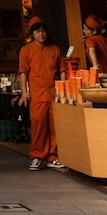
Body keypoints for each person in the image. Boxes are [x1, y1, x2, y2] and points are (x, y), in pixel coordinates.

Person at [17, 18, 64, 170]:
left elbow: (62, 71)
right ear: (32, 34)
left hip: (54, 93)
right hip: (37, 94)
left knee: (54, 126)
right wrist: (24, 93)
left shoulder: (55, 49)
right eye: (37, 32)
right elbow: (23, 72)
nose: (41, 34)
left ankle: (53, 156)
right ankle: (37, 156)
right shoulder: (26, 50)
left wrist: (63, 90)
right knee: (38, 125)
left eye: (43, 31)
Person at [83, 15, 107, 79]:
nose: (84, 31)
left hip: (104, 74)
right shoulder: (106, 39)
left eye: (86, 29)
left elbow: (92, 50)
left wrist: (95, 67)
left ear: (94, 31)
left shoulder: (91, 40)